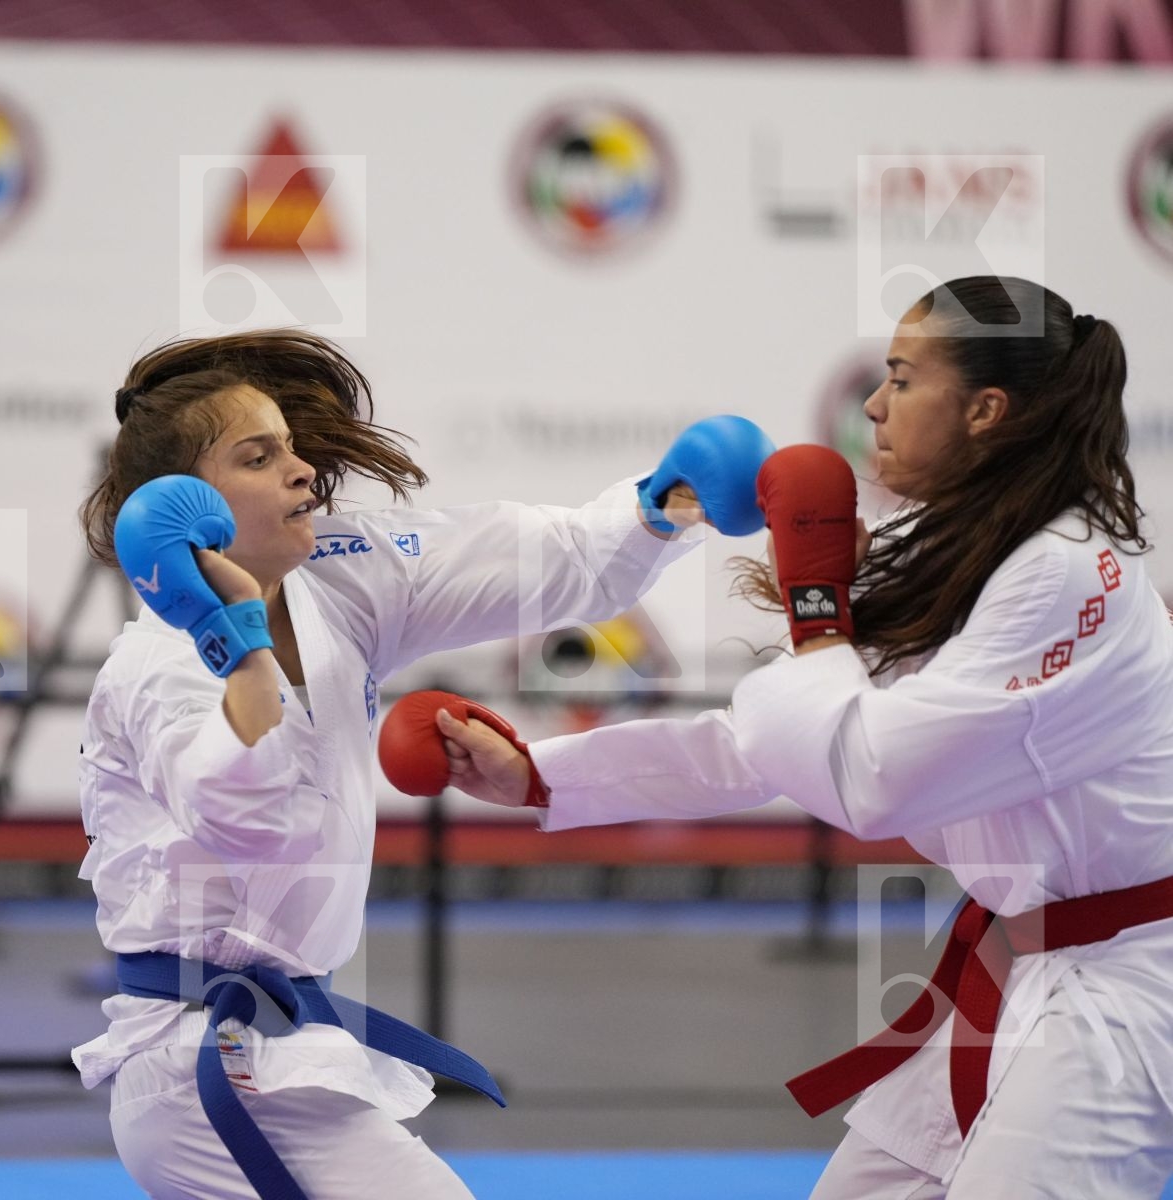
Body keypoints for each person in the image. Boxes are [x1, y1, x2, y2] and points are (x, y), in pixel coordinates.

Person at [401, 277, 1173, 1198]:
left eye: (900, 379)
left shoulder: (1065, 575)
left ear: (985, 411)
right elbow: (766, 741)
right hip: (1026, 969)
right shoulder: (960, 546)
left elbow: (874, 776)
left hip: (1122, 993)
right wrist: (541, 777)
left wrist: (818, 614)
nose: (874, 406)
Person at [70, 329, 772, 1199]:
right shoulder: (157, 669)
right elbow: (251, 822)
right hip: (201, 1070)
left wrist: (658, 506)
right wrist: (238, 639)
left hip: (277, 1054)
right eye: (262, 457)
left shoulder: (338, 578)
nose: (303, 472)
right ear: (184, 505)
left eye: (291, 447)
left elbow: (536, 558)